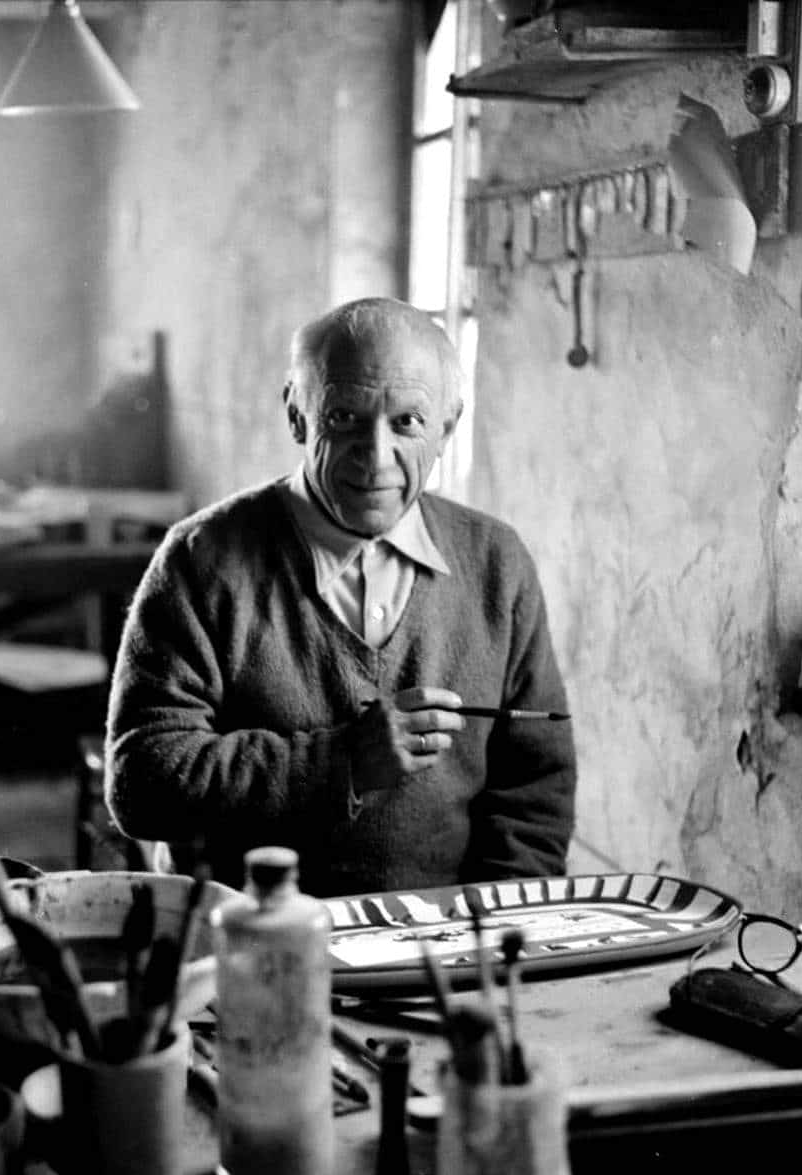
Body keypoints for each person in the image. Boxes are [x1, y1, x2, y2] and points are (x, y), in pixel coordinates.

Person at [105, 297, 576, 896]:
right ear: (297, 416)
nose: (376, 458)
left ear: (447, 430)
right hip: (249, 942)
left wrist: (489, 939)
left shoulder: (496, 562)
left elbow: (535, 799)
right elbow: (141, 785)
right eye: (345, 418)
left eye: (407, 422)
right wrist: (341, 764)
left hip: (446, 954)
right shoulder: (202, 558)